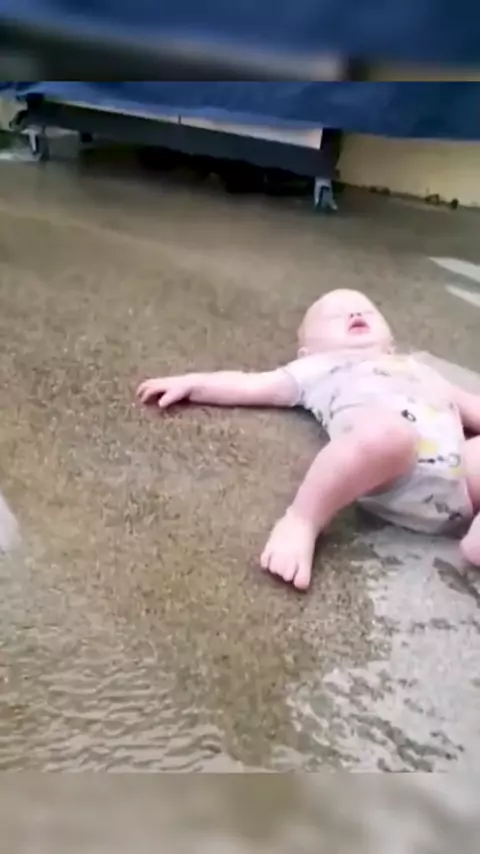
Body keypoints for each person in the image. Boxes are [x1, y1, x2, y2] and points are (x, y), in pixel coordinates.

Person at [136, 289, 480, 591]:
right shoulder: (318, 369)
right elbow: (249, 384)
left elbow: (472, 407)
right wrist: (195, 383)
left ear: (391, 342)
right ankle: (303, 519)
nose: (355, 314)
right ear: (307, 352)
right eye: (335, 316)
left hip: (460, 479)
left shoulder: (421, 370)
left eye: (366, 311)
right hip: (390, 471)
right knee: (389, 434)